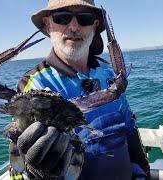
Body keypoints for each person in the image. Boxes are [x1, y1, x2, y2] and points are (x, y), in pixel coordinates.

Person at [15, 0, 150, 179]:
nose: (73, 26)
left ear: (94, 26)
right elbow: (18, 163)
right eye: (62, 18)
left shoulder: (111, 74)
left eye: (84, 19)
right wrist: (34, 172)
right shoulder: (33, 86)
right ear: (48, 24)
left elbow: (129, 128)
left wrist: (143, 171)